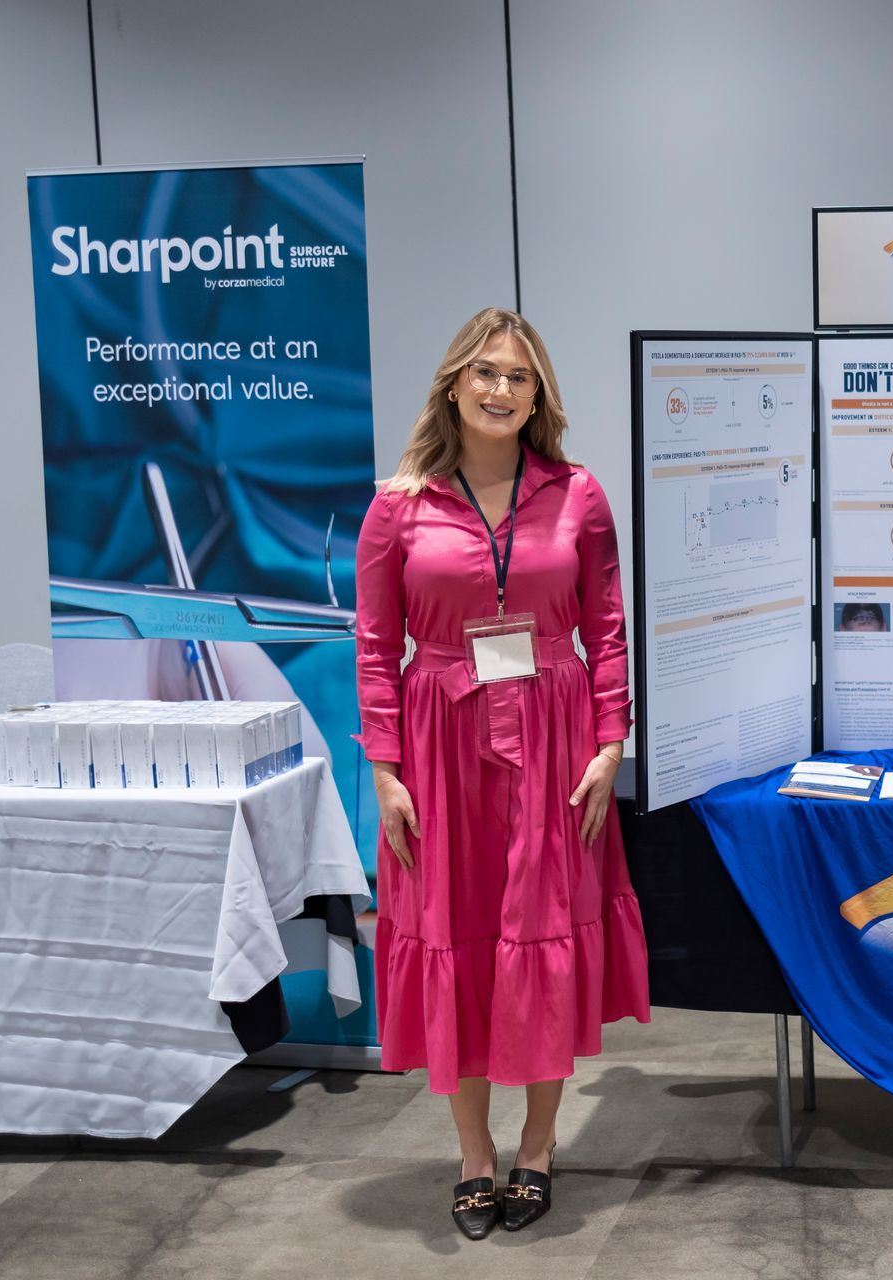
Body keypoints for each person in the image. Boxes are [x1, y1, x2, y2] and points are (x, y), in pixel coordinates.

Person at [354, 307, 650, 1240]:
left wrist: (611, 744)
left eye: (517, 376)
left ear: (539, 396)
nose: (498, 389)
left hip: (558, 739)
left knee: (544, 928)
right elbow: (371, 646)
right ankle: (475, 1157)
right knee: (463, 933)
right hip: (441, 745)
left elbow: (606, 628)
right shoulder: (397, 503)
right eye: (483, 372)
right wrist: (385, 771)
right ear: (452, 383)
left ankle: (538, 1145)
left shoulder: (578, 494)